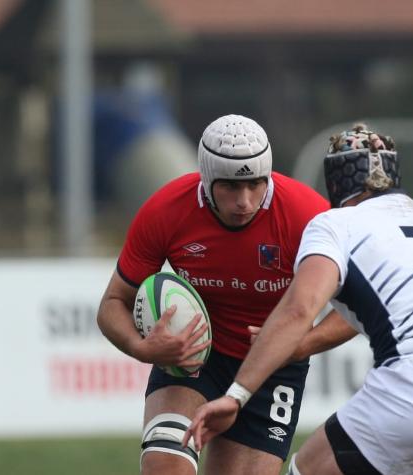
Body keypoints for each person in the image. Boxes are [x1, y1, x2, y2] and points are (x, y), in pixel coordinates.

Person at [182, 123, 413, 475]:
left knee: (305, 469)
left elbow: (299, 310)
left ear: (336, 182)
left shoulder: (335, 225)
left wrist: (235, 397)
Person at [96, 114, 356, 475]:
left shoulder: (307, 216)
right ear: (206, 178)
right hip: (192, 357)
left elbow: (358, 309)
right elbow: (112, 304)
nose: (244, 201)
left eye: (255, 185)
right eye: (230, 187)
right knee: (164, 466)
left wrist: (297, 345)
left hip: (274, 369)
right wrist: (141, 348)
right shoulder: (167, 210)